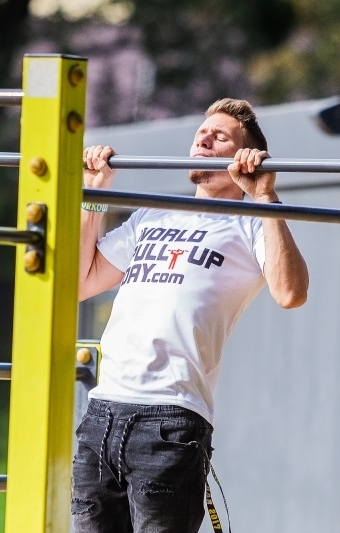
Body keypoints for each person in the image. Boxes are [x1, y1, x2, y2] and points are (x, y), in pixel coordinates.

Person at [72, 98, 309, 533]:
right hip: (102, 412)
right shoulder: (151, 215)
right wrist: (95, 194)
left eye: (220, 136)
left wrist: (264, 195)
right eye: (202, 133)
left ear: (244, 156)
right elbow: (78, 283)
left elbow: (291, 293)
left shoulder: (250, 223)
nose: (204, 139)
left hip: (170, 420)